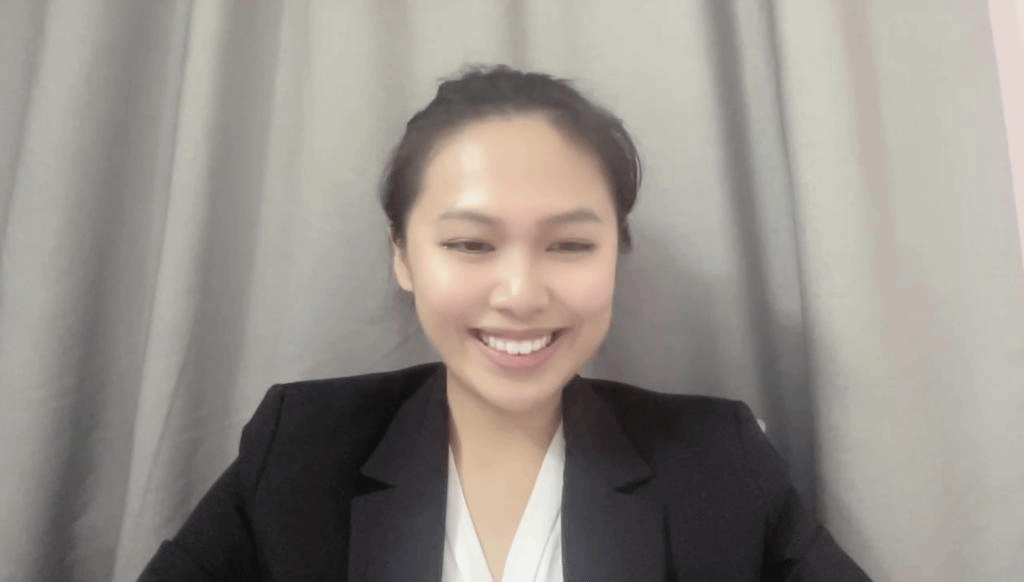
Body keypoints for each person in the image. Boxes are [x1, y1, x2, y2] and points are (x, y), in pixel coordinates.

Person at [137, 65, 872, 582]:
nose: (520, 294)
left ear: (617, 256)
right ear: (402, 255)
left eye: (571, 245)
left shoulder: (719, 462)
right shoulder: (300, 448)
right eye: (469, 244)